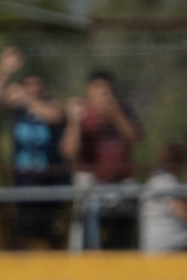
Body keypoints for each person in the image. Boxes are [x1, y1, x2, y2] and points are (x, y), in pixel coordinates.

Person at [0, 46, 67, 248]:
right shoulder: (18, 110)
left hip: (51, 183)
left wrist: (26, 99)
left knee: (52, 238)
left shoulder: (51, 105)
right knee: (24, 237)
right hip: (23, 183)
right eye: (27, 85)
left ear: (44, 88)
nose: (32, 88)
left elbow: (56, 116)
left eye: (36, 85)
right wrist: (4, 70)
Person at [61, 69, 142, 250]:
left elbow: (135, 138)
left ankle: (128, 251)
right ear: (89, 90)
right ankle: (90, 252)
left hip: (121, 182)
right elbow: (68, 151)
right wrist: (74, 122)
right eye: (100, 88)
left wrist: (116, 114)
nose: (106, 93)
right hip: (93, 183)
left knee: (132, 201)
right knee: (89, 201)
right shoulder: (82, 114)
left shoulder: (124, 111)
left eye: (109, 89)